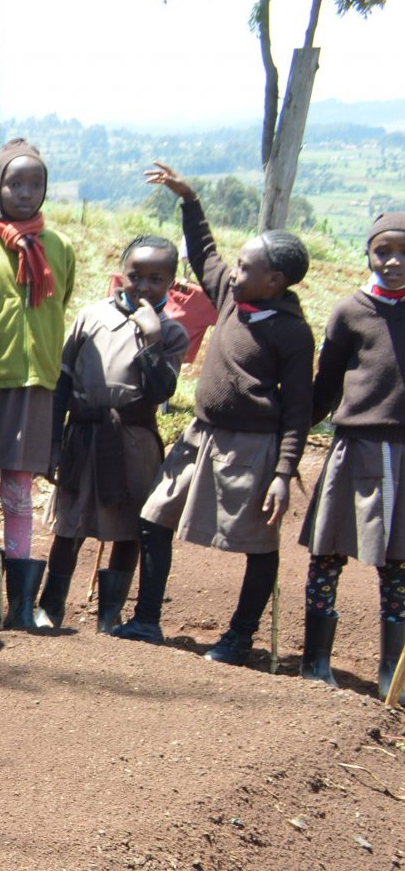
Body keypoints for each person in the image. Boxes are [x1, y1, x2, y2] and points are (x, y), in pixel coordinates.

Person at [125, 163, 313, 664]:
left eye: (248, 266)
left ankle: (238, 636)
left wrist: (282, 473)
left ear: (275, 281)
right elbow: (205, 251)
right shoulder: (232, 298)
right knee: (154, 517)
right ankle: (146, 618)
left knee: (256, 543)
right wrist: (188, 199)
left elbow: (298, 411)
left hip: (251, 448)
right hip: (198, 436)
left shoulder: (293, 332)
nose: (235, 270)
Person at [34, 234, 188, 634]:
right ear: (122, 274)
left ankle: (110, 615)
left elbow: (162, 391)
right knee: (69, 524)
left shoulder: (171, 333)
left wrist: (152, 338)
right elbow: (62, 384)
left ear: (170, 282)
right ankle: (50, 606)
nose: (143, 286)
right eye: (136, 276)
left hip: (133, 442)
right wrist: (52, 442)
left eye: (156, 279)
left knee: (126, 528)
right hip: (83, 436)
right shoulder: (92, 316)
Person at [0, 139, 76, 632]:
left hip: (36, 387)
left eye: (35, 184)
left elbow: (60, 301)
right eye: (15, 183)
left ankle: (21, 606)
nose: (25, 193)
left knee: (20, 492)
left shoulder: (60, 248)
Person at [296, 211, 405, 692]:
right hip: (353, 447)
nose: (394, 261)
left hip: (403, 455)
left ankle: (392, 674)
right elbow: (326, 385)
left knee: (399, 565)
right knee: (327, 552)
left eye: (403, 252)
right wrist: (290, 437)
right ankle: (315, 663)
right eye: (384, 251)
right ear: (367, 253)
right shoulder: (350, 311)